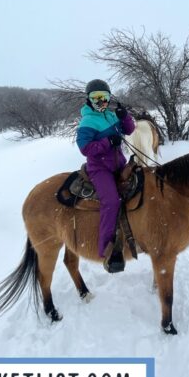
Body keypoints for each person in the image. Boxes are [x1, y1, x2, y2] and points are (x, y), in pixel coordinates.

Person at [75, 78, 135, 273]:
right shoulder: (87, 121)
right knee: (111, 202)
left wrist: (124, 116)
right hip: (100, 169)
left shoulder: (111, 115)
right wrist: (108, 142)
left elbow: (129, 130)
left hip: (119, 164)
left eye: (104, 97)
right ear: (89, 99)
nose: (101, 100)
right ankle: (107, 249)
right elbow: (85, 148)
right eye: (96, 97)